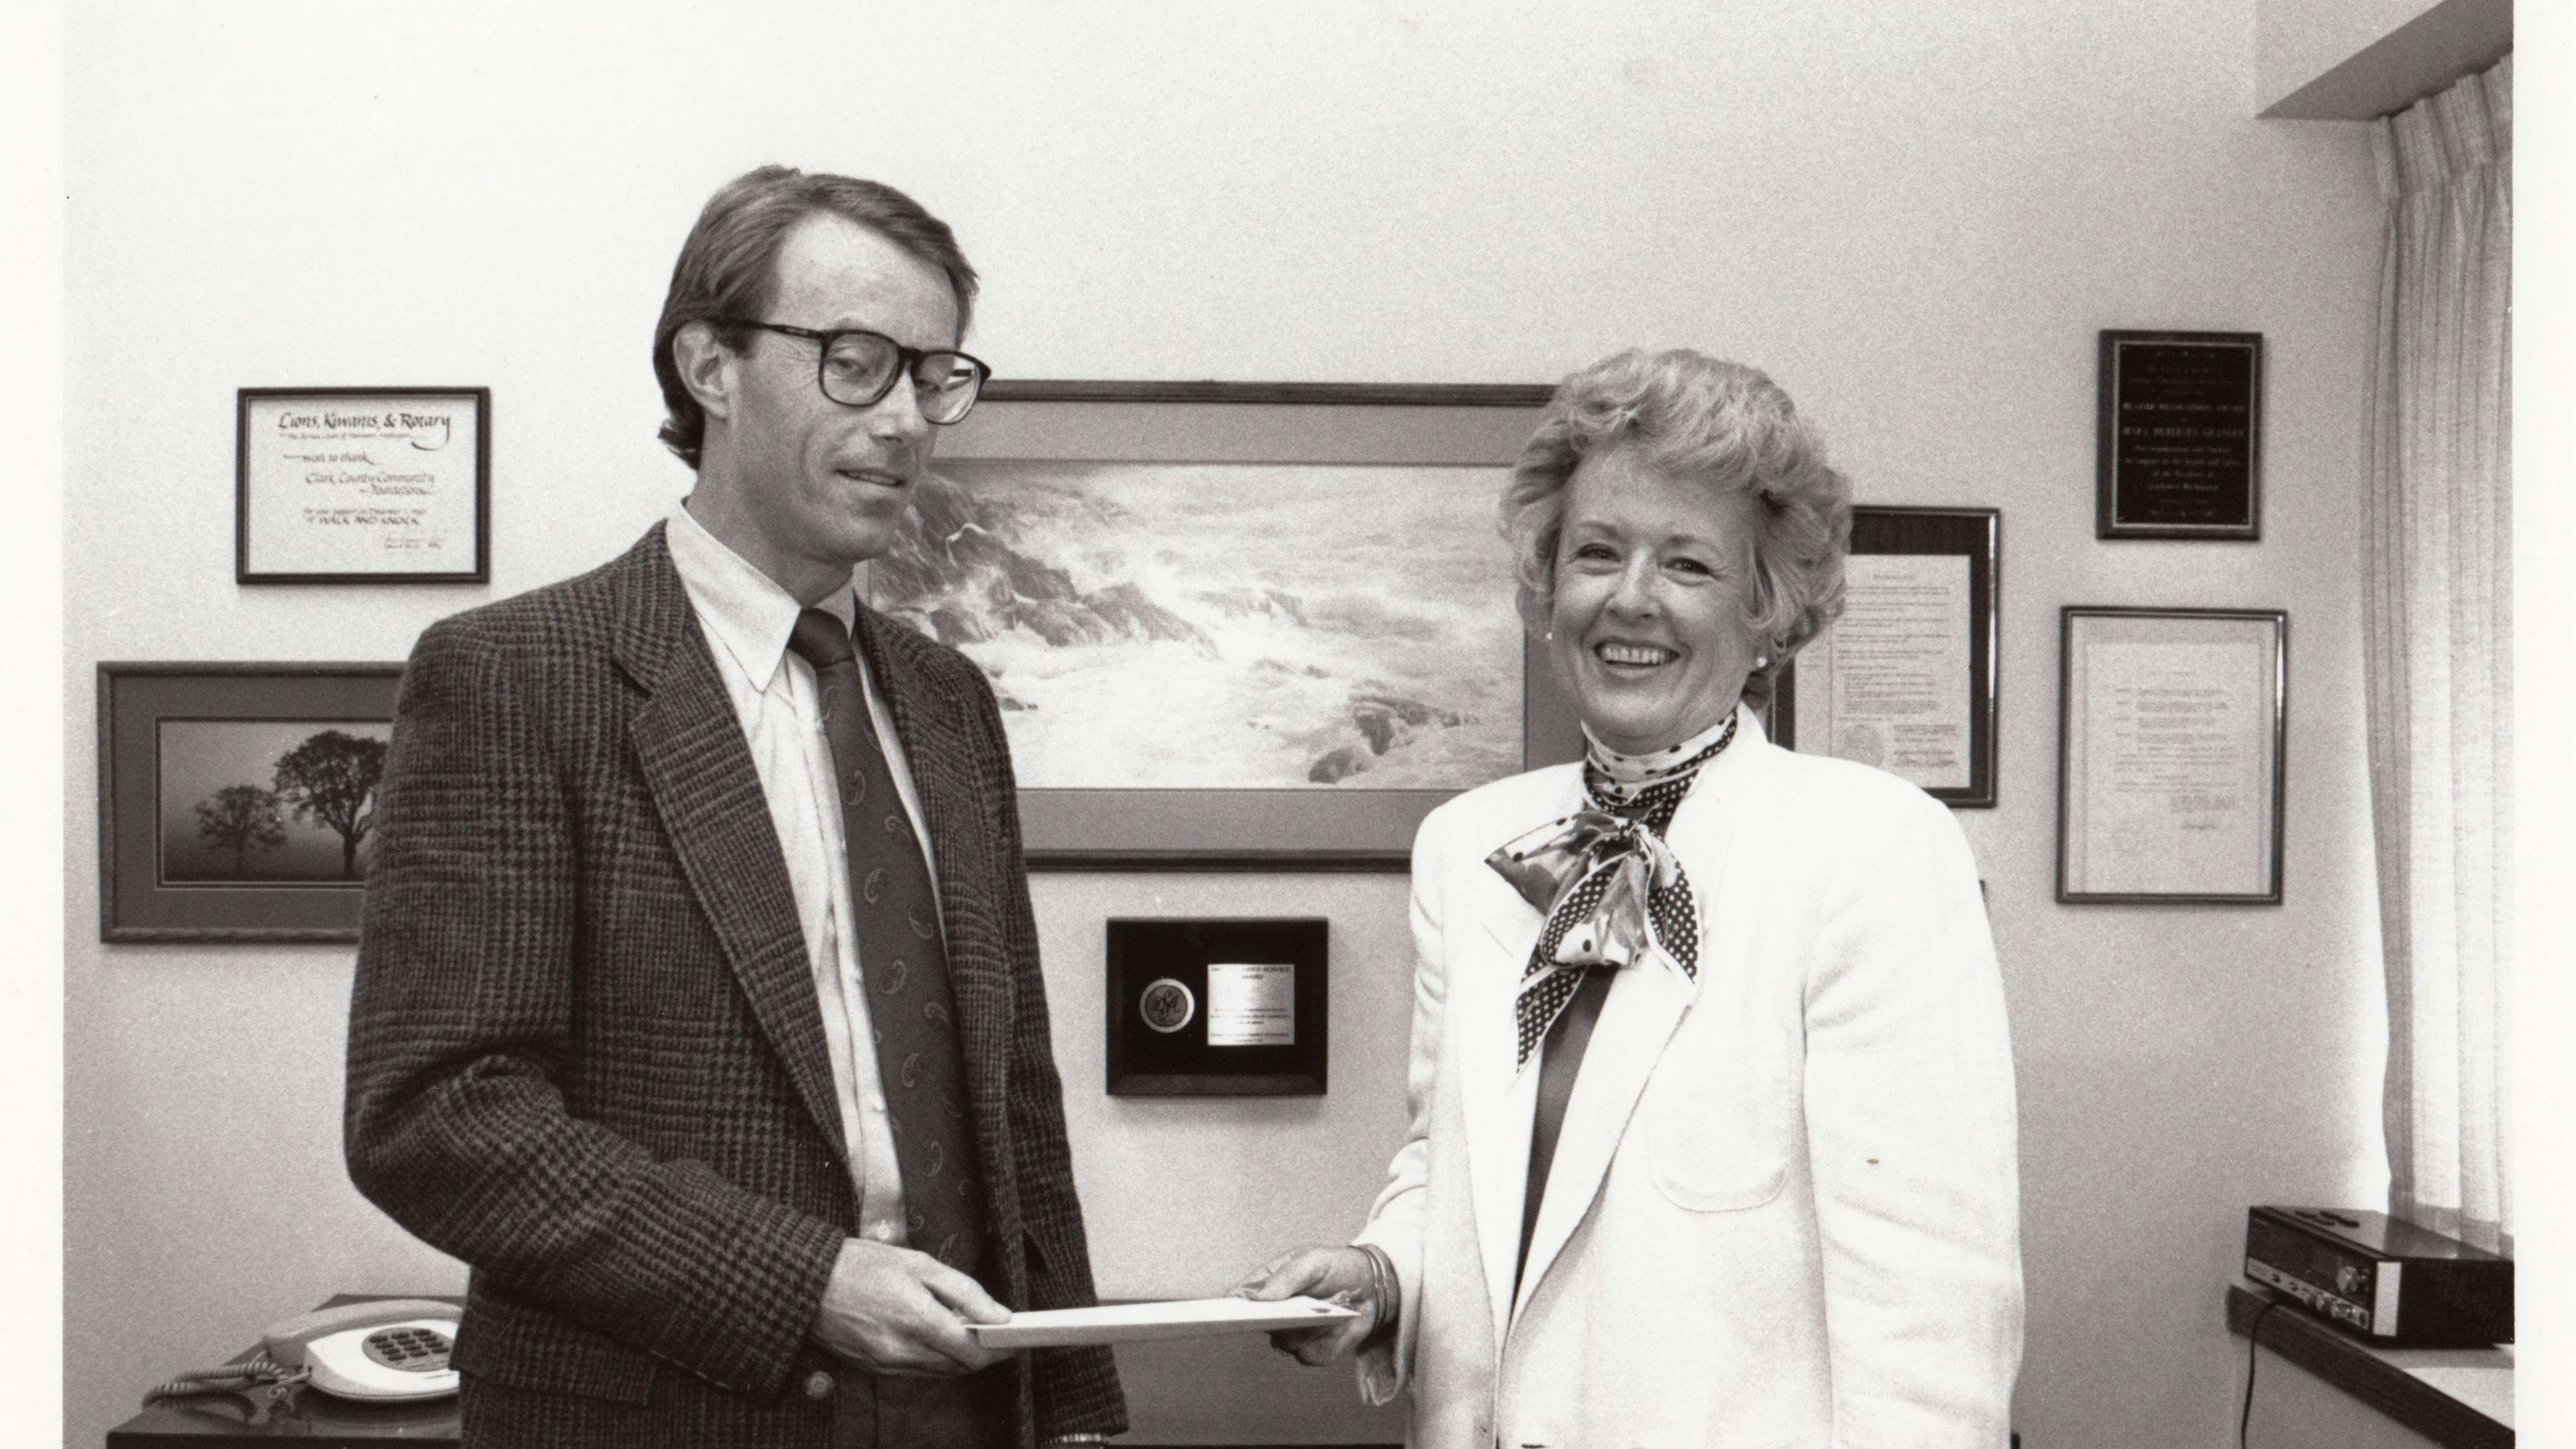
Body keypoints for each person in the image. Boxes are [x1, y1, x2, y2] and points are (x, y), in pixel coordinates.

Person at [344, 166, 1125, 1449]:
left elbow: (1013, 1101)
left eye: (936, 375)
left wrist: (1078, 1409)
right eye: (857, 361)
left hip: (970, 1404)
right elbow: (437, 1114)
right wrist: (802, 1280)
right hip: (667, 1411)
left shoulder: (949, 704)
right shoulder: (518, 677)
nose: (909, 420)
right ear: (710, 366)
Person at [1234, 349, 2023, 1446]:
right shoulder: (1468, 849)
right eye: (1597, 553)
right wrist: (1383, 1276)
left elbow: (1931, 1309)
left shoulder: (1870, 850)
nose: (1630, 599)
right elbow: (1454, 1173)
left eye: (1689, 564)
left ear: (1767, 608)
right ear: (1548, 584)